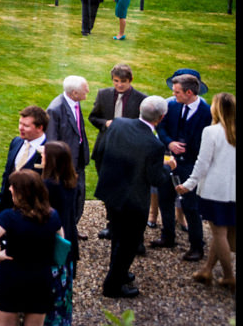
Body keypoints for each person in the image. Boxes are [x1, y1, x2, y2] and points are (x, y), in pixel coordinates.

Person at [93, 96, 174, 298]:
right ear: (161, 117)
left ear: (140, 109)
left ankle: (119, 272)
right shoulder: (155, 146)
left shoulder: (118, 124)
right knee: (128, 244)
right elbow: (155, 179)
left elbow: (101, 151)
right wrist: (168, 167)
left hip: (111, 191)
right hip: (133, 200)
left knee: (117, 237)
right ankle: (112, 287)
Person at [0, 170, 63, 326]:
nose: (9, 189)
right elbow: (62, 244)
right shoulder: (53, 216)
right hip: (40, 276)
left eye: (13, 187)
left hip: (12, 275)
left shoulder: (9, 217)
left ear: (21, 193)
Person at [176, 92, 236, 291]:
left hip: (216, 192)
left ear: (216, 108)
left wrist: (188, 184)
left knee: (219, 234)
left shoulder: (211, 132)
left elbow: (202, 164)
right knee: (224, 235)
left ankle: (228, 276)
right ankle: (207, 270)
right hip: (233, 193)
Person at [155, 70, 212, 261]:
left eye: (177, 92)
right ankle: (167, 236)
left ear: (189, 93)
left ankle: (197, 246)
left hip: (191, 165)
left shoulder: (207, 113)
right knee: (165, 199)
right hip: (169, 161)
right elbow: (160, 127)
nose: (173, 94)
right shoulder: (171, 106)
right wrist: (169, 143)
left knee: (191, 207)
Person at [89, 63, 146, 239]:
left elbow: (145, 125)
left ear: (131, 80)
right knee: (108, 188)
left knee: (128, 191)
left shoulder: (141, 99)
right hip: (105, 148)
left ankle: (129, 229)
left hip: (129, 152)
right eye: (116, 81)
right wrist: (105, 123)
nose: (119, 85)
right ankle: (112, 225)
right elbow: (93, 117)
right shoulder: (103, 94)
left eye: (123, 81)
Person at [41, 140, 80, 326]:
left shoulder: (48, 185)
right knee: (63, 295)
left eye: (45, 155)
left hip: (53, 244)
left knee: (50, 295)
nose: (42, 157)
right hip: (68, 243)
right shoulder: (71, 181)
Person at [46, 75, 91, 223]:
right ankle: (64, 230)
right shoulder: (55, 109)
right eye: (85, 90)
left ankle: (72, 226)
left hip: (78, 160)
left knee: (79, 195)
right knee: (66, 198)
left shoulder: (75, 103)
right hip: (66, 164)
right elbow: (52, 141)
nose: (88, 91)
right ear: (74, 93)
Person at [0, 106, 47, 215]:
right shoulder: (16, 142)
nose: (20, 128)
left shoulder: (50, 150)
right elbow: (7, 174)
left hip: (31, 213)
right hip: (6, 208)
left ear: (39, 128)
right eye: (20, 123)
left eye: (26, 126)